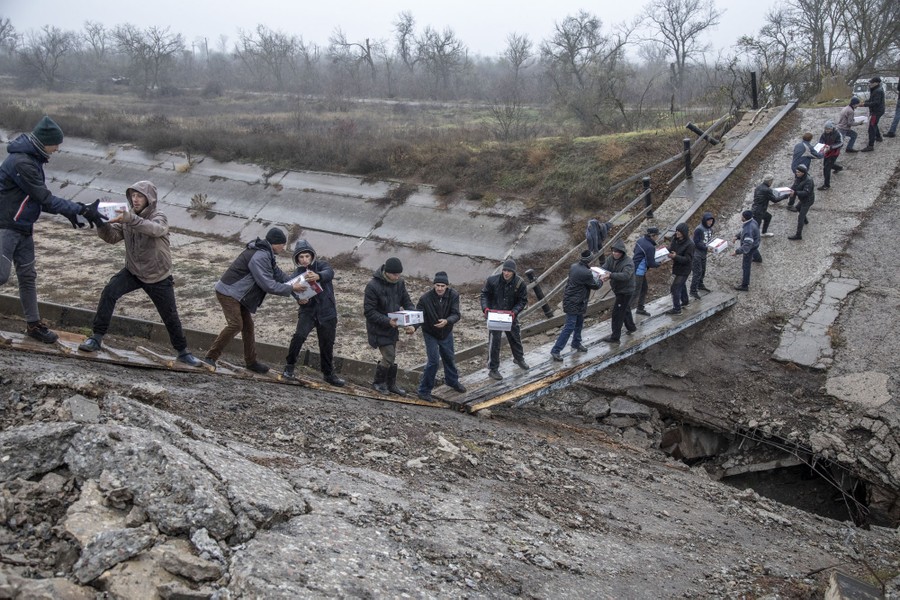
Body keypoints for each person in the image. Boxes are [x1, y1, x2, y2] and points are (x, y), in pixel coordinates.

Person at [0, 116, 105, 343]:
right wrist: (82, 210)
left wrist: (70, 212)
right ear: (44, 141)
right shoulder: (22, 163)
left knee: (28, 277)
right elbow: (44, 198)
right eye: (56, 144)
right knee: (1, 274)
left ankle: (34, 325)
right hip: (5, 226)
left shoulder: (33, 158)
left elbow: (34, 199)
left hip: (23, 227)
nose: (57, 149)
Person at [77, 181, 202, 366]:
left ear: (149, 199)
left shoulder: (158, 216)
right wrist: (99, 221)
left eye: (140, 196)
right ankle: (96, 338)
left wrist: (130, 219)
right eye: (133, 196)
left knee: (170, 315)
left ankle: (183, 352)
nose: (135, 199)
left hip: (158, 275)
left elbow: (156, 229)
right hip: (133, 271)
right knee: (109, 292)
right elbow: (111, 237)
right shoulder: (127, 216)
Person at [204, 227, 303, 373]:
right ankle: (210, 357)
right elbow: (267, 284)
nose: (283, 247)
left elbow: (278, 274)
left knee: (248, 327)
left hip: (238, 295)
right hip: (228, 292)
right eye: (282, 244)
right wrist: (291, 289)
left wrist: (298, 287)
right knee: (236, 325)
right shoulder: (260, 256)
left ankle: (251, 362)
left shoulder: (267, 253)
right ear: (275, 243)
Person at [281, 239, 344, 387]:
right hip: (308, 312)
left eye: (307, 256)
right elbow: (293, 291)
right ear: (297, 259)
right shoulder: (296, 275)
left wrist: (318, 276)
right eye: (301, 257)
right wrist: (299, 299)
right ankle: (289, 367)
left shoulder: (322, 265)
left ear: (312, 256)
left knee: (327, 343)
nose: (304, 260)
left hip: (327, 311)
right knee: (299, 337)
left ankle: (328, 374)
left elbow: (330, 273)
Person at [364, 257, 416, 396]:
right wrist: (388, 321)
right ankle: (378, 383)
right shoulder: (373, 286)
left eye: (399, 274)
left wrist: (411, 319)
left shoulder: (400, 283)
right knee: (389, 355)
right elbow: (369, 312)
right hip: (378, 327)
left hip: (393, 326)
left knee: (392, 355)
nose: (397, 277)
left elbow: (407, 301)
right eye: (394, 274)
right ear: (386, 272)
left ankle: (390, 384)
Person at [415, 271, 465, 401]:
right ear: (434, 285)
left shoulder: (453, 295)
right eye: (437, 285)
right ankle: (424, 391)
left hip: (446, 331)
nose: (440, 288)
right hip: (430, 332)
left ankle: (452, 381)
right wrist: (412, 328)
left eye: (443, 286)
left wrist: (447, 321)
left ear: (447, 286)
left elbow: (456, 314)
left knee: (449, 357)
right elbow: (417, 316)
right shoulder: (425, 298)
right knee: (433, 361)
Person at [480, 258, 529, 381]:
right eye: (505, 270)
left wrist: (515, 312)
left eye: (509, 271)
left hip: (510, 315)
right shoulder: (492, 280)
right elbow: (484, 295)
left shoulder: (520, 283)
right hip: (495, 315)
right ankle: (493, 368)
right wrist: (485, 309)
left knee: (515, 337)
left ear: (514, 272)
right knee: (494, 342)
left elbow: (522, 300)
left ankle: (519, 358)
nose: (506, 273)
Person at [550, 250, 601, 358]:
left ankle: (576, 342)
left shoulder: (574, 266)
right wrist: (601, 279)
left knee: (579, 322)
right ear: (590, 260)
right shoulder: (586, 273)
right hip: (575, 302)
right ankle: (556, 350)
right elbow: (595, 286)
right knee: (569, 327)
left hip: (573, 300)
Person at [598, 240, 636, 344]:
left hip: (626, 291)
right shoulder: (611, 259)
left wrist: (610, 275)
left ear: (622, 252)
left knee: (617, 314)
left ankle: (615, 338)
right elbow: (605, 267)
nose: (615, 253)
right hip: (618, 289)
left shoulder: (628, 263)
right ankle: (631, 327)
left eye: (617, 251)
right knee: (625, 308)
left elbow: (625, 276)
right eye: (613, 251)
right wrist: (600, 272)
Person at [630, 226, 661, 317]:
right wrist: (659, 263)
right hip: (639, 272)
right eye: (657, 235)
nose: (657, 237)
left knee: (644, 288)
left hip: (634, 268)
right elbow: (651, 263)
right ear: (653, 236)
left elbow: (635, 251)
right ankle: (625, 311)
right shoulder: (650, 247)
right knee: (636, 292)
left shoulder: (640, 240)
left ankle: (640, 308)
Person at [665, 223, 694, 315]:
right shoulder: (675, 240)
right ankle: (685, 301)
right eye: (676, 230)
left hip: (685, 269)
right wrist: (664, 250)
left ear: (684, 233)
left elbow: (688, 259)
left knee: (675, 288)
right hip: (677, 267)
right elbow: (671, 248)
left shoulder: (690, 244)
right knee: (681, 285)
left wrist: (675, 256)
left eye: (679, 231)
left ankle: (677, 309)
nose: (677, 233)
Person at [787, 133, 822, 208]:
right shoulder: (808, 147)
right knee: (796, 186)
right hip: (801, 169)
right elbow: (818, 156)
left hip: (794, 166)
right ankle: (790, 203)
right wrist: (824, 151)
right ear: (810, 139)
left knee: (798, 183)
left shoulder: (798, 145)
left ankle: (793, 200)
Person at [689, 212, 715, 300]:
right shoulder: (699, 229)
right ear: (704, 220)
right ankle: (693, 290)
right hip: (696, 254)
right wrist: (706, 248)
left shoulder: (710, 229)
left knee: (703, 270)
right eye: (708, 221)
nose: (710, 222)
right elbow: (696, 242)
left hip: (704, 254)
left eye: (711, 221)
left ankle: (700, 284)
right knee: (697, 272)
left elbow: (709, 241)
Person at [733, 210, 761, 291]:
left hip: (750, 247)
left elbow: (747, 246)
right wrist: (737, 236)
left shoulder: (748, 229)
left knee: (746, 266)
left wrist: (737, 251)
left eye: (742, 216)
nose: (741, 217)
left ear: (744, 218)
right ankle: (758, 259)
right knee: (754, 249)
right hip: (755, 243)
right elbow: (743, 232)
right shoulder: (752, 221)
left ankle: (745, 285)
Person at [787, 164, 815, 241]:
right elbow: (795, 185)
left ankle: (798, 235)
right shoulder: (799, 177)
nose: (796, 173)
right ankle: (805, 221)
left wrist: (795, 193)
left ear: (803, 173)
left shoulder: (808, 181)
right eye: (796, 172)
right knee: (798, 208)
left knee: (800, 217)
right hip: (803, 199)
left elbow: (806, 193)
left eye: (798, 172)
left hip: (807, 200)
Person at [751, 173, 784, 238]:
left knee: (768, 217)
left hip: (755, 208)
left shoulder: (759, 187)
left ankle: (763, 232)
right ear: (769, 181)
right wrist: (785, 196)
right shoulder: (767, 190)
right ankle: (750, 240)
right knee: (755, 227)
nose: (772, 183)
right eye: (771, 181)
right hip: (760, 211)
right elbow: (775, 200)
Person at [860, 77, 885, 152]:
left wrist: (864, 105)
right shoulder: (876, 89)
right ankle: (878, 137)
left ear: (876, 83)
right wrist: (864, 102)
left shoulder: (878, 91)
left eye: (872, 82)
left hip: (876, 112)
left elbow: (876, 103)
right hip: (878, 111)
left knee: (871, 128)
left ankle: (870, 146)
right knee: (874, 124)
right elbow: (872, 100)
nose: (870, 84)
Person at [817, 121, 843, 190]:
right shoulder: (824, 134)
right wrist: (821, 146)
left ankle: (826, 185)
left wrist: (831, 147)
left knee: (826, 168)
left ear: (832, 128)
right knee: (827, 164)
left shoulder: (837, 134)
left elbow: (840, 143)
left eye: (828, 129)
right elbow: (821, 141)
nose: (827, 130)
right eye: (826, 129)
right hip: (826, 152)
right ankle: (838, 168)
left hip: (834, 153)